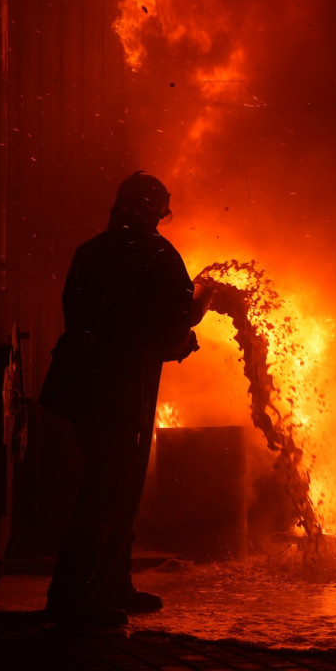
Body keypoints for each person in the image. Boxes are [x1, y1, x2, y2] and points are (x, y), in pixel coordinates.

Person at [38, 171, 209, 627]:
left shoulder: (90, 252)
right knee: (110, 485)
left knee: (113, 479)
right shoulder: (157, 254)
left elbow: (82, 316)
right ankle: (71, 593)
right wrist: (198, 313)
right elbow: (172, 327)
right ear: (156, 212)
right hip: (118, 386)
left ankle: (111, 582)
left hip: (79, 383)